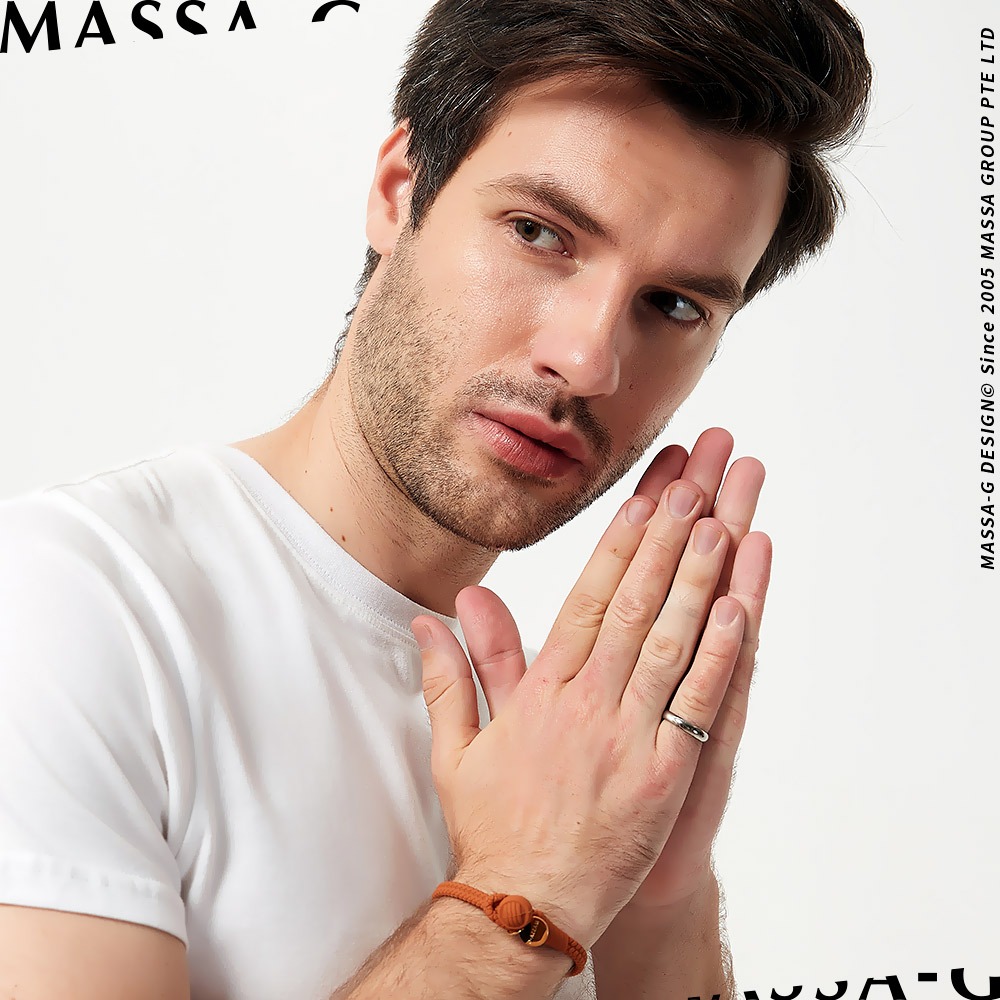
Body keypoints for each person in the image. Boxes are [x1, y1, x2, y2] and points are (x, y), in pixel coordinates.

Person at [0, 1, 872, 997]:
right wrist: (524, 890)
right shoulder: (68, 603)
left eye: (673, 304)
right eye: (539, 233)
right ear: (398, 191)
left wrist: (657, 891)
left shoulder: (564, 749)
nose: (587, 359)